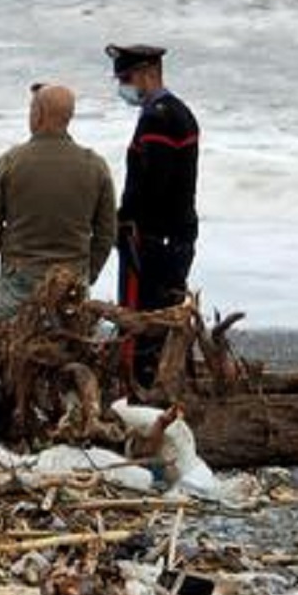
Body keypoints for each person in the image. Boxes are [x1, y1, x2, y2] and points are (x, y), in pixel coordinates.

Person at [0, 84, 116, 318]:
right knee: (68, 346)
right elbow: (106, 232)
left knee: (15, 347)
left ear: (38, 113)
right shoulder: (95, 166)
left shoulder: (10, 162)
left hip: (19, 278)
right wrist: (87, 274)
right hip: (72, 279)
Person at [105, 44, 199, 386]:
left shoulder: (158, 118)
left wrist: (126, 222)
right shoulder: (179, 113)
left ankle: (139, 392)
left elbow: (152, 184)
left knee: (139, 324)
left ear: (149, 73)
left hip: (151, 238)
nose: (124, 87)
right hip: (177, 234)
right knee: (166, 318)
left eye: (127, 78)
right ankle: (164, 385)